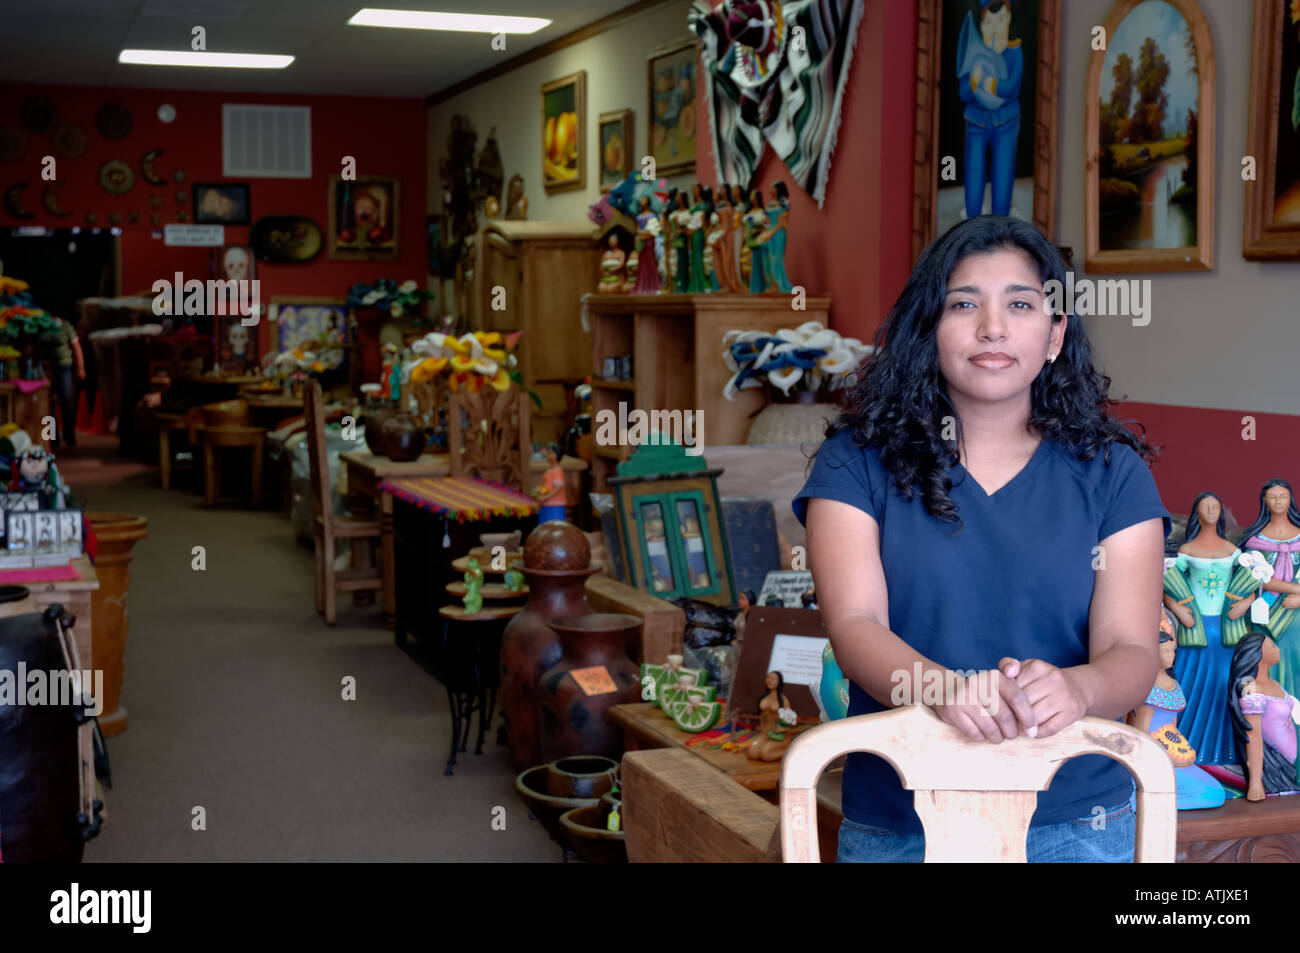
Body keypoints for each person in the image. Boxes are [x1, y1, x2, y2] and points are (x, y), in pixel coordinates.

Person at [794, 215, 1169, 862]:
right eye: (963, 303)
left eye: (1020, 304)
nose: (992, 327)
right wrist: (941, 689)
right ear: (928, 328)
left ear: (1054, 335)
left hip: (1075, 819)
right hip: (900, 816)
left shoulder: (1113, 473)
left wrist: (1078, 689)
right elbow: (854, 625)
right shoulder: (855, 463)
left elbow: (1132, 649)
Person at [39, 315, 85, 449]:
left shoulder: (65, 326)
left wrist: (81, 368)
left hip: (64, 368)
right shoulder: (42, 325)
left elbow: (76, 348)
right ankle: (52, 438)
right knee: (49, 404)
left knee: (66, 401)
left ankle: (69, 437)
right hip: (46, 369)